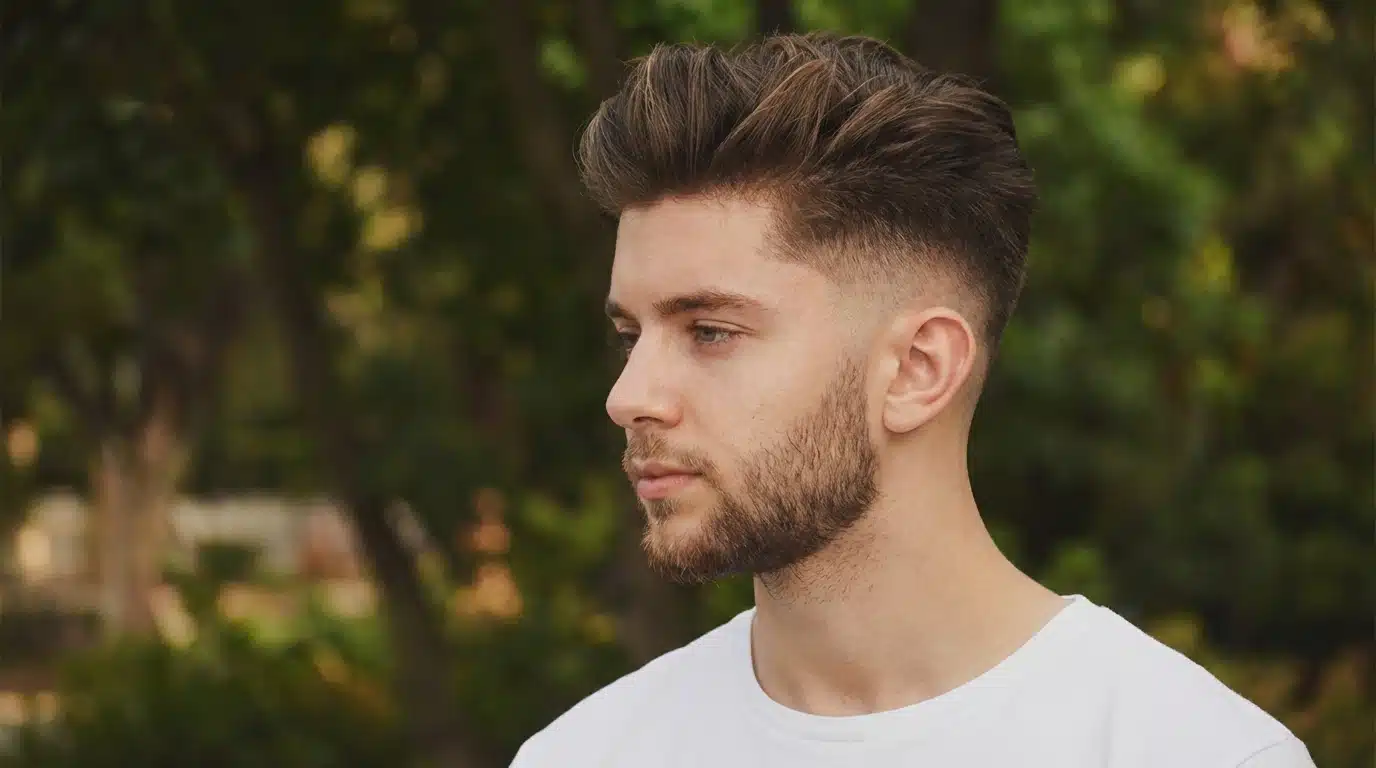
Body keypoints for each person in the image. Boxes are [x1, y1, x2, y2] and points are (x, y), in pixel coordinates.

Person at [511, 32, 1314, 768]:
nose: (629, 396)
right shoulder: (582, 756)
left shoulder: (1197, 753)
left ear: (918, 370)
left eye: (710, 331)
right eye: (631, 336)